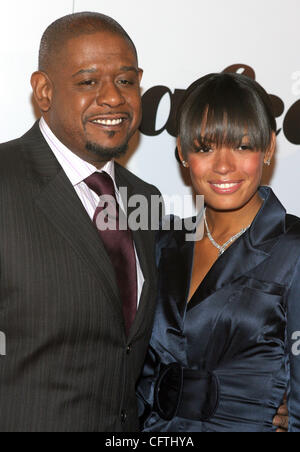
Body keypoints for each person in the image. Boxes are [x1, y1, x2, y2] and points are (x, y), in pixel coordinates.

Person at [0, 12, 161, 432]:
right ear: (44, 90)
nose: (112, 98)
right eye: (89, 82)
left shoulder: (146, 199)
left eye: (126, 81)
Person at [137, 73, 299, 432]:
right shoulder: (162, 242)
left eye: (242, 146)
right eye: (205, 147)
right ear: (182, 151)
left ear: (268, 148)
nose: (223, 166)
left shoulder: (294, 248)